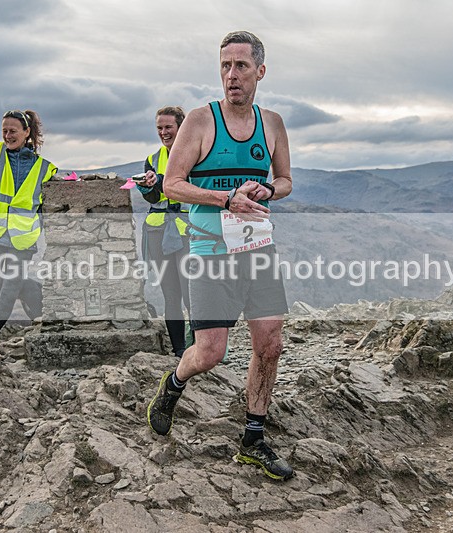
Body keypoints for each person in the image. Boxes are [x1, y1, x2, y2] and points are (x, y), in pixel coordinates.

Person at [146, 31, 294, 480]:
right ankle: (172, 385)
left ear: (260, 72)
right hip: (210, 250)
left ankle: (253, 439)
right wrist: (225, 199)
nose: (232, 75)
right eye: (226, 66)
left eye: (241, 67)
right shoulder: (200, 120)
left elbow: (286, 180)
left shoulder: (272, 123)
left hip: (257, 247)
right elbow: (172, 185)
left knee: (270, 344)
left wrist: (268, 188)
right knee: (210, 353)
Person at [0, 109, 57, 365]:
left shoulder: (43, 169)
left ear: (27, 133)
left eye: (13, 131)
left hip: (22, 241)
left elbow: (51, 200)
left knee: (9, 293)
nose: (7, 136)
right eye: (4, 131)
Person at [136, 106, 192, 357]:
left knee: (192, 291)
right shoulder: (153, 158)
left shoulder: (195, 153)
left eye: (168, 127)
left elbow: (190, 189)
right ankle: (180, 350)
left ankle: (202, 347)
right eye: (159, 127)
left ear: (181, 127)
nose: (163, 132)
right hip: (158, 231)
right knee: (171, 293)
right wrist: (147, 187)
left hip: (187, 232)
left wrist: (161, 181)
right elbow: (153, 198)